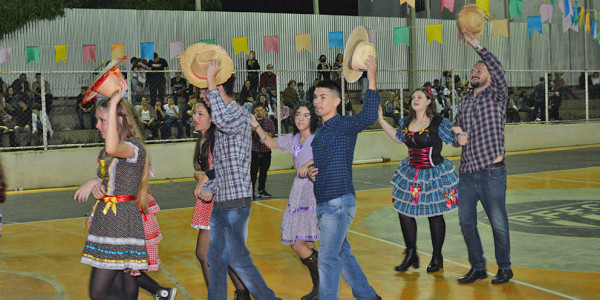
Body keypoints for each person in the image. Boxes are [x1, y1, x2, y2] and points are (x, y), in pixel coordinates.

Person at [199, 59, 279, 299]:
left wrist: (211, 80)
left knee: (237, 259)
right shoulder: (224, 119)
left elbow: (221, 119)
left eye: (208, 89)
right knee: (217, 258)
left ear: (220, 86)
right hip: (224, 198)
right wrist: (210, 186)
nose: (204, 94)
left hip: (235, 201)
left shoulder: (237, 114)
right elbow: (225, 165)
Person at [73, 81, 160, 299]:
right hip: (109, 219)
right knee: (124, 286)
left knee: (99, 292)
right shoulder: (110, 152)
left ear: (119, 120)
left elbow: (113, 149)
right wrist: (95, 185)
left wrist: (112, 106)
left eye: (102, 120)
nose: (97, 126)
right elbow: (110, 184)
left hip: (120, 221)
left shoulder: (133, 147)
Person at [307, 60, 381, 298]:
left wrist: (371, 76)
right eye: (315, 98)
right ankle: (368, 295)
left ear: (337, 102)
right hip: (325, 202)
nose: (317, 102)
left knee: (328, 258)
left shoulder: (344, 125)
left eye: (323, 97)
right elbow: (322, 161)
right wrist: (310, 170)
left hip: (338, 204)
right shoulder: (321, 131)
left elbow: (369, 114)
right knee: (342, 253)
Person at [452, 31, 512, 285]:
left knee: (498, 223)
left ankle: (505, 268)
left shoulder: (497, 96)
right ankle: (478, 267)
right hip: (466, 173)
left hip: (491, 171)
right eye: (473, 71)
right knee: (466, 223)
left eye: (479, 71)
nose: (474, 73)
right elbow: (455, 126)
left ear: (489, 77)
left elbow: (497, 69)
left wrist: (476, 44)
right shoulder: (464, 102)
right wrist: (457, 138)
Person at [377, 88, 459, 274]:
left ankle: (437, 257)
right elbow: (398, 138)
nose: (414, 99)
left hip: (434, 174)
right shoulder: (408, 122)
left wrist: (461, 135)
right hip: (411, 174)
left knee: (435, 214)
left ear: (429, 101)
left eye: (419, 97)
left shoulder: (439, 123)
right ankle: (411, 253)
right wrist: (381, 120)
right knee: (404, 211)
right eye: (413, 97)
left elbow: (455, 140)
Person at [250, 102, 320, 300]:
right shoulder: (293, 139)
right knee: (308, 242)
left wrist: (309, 163)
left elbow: (325, 157)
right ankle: (319, 288)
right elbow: (270, 143)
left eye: (306, 115)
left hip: (313, 190)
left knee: (297, 244)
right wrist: (255, 124)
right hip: (299, 190)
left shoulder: (318, 138)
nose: (300, 118)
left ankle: (323, 280)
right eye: (298, 114)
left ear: (312, 118)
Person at [190, 97, 250, 300]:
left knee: (205, 253)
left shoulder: (218, 139)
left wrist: (208, 182)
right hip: (211, 201)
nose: (195, 117)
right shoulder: (204, 140)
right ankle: (242, 292)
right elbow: (208, 170)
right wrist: (201, 176)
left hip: (222, 201)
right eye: (194, 113)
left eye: (200, 114)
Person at [249, 103, 275, 199]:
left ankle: (261, 190)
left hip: (265, 151)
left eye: (261, 110)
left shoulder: (269, 122)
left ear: (264, 111)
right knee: (253, 173)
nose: (259, 112)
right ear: (254, 111)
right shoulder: (251, 122)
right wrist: (252, 128)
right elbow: (247, 134)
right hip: (255, 150)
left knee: (264, 172)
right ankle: (251, 192)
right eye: (257, 110)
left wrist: (264, 135)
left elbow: (271, 134)